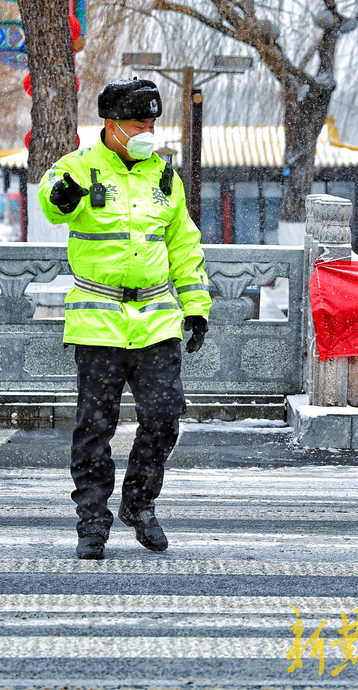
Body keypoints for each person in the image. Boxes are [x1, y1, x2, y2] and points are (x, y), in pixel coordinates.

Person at [38, 78, 211, 560]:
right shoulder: (77, 167)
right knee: (95, 427)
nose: (146, 131)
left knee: (164, 417)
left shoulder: (165, 178)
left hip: (156, 321)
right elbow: (51, 203)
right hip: (99, 322)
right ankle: (93, 521)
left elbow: (183, 246)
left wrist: (196, 306)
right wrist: (62, 196)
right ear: (111, 125)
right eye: (138, 123)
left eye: (151, 122)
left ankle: (139, 503)